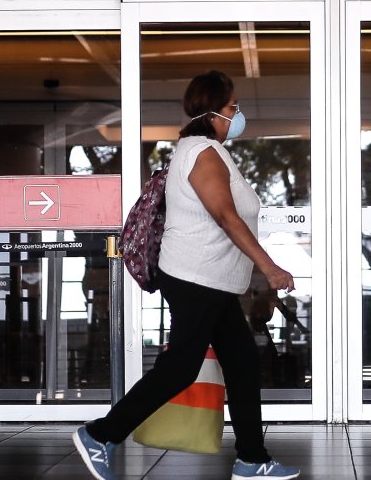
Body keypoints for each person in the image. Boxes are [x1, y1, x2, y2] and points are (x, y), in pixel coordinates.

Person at [74, 70, 302, 480]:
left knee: (243, 362)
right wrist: (268, 266)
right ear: (214, 110)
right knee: (181, 367)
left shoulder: (206, 150)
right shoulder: (202, 152)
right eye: (234, 106)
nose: (238, 114)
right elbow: (226, 216)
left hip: (210, 279)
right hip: (196, 277)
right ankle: (100, 434)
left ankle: (252, 459)